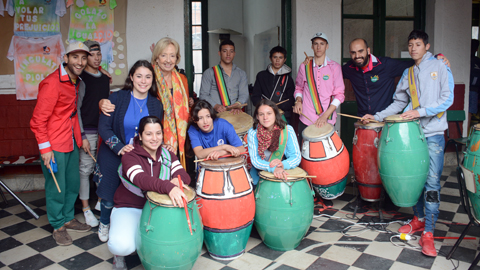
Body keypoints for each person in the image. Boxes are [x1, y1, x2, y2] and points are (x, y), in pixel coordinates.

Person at [363, 30, 454, 257]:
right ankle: (419, 219)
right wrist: (377, 116)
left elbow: (448, 99)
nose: (413, 48)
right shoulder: (409, 73)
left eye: (418, 44)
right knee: (414, 180)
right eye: (411, 44)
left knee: (431, 184)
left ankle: (429, 233)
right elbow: (399, 103)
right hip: (412, 135)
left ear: (427, 46)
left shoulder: (441, 66)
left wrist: (419, 112)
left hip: (432, 134)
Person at [94, 60, 164, 243]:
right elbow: (104, 127)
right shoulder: (117, 98)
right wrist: (119, 147)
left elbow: (157, 132)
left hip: (142, 157)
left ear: (152, 79)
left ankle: (135, 227)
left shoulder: (156, 104)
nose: (143, 81)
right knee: (109, 195)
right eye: (139, 76)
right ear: (131, 77)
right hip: (113, 153)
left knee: (138, 194)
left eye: (148, 76)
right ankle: (104, 222)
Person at [30, 40, 92, 246]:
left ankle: (68, 218)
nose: (80, 62)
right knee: (56, 186)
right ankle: (58, 226)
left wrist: (81, 138)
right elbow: (37, 121)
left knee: (72, 184)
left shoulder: (77, 82)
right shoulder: (52, 83)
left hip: (70, 142)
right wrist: (45, 149)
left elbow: (72, 115)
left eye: (83, 58)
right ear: (65, 59)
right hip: (53, 144)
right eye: (75, 57)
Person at [108, 116, 190, 270]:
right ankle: (119, 253)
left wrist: (177, 182)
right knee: (122, 246)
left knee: (171, 245)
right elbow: (141, 180)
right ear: (140, 136)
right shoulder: (130, 156)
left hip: (158, 209)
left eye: (158, 133)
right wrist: (169, 186)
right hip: (130, 207)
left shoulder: (167, 154)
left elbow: (183, 176)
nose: (154, 138)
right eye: (149, 134)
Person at [100, 38, 192, 169]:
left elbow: (184, 109)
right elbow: (108, 119)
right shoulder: (149, 74)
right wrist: (102, 102)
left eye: (172, 56)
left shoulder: (181, 79)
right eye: (163, 55)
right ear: (156, 58)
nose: (168, 60)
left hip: (175, 137)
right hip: (152, 137)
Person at [342, 38, 450, 117]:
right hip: (363, 120)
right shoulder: (349, 68)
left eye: (361, 51)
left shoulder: (386, 65)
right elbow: (333, 73)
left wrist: (435, 58)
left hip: (386, 119)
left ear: (368, 50)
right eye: (353, 53)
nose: (357, 56)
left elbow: (415, 62)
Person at [77, 40, 110, 227]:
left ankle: (99, 201)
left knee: (102, 167)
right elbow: (78, 109)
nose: (96, 58)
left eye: (98, 54)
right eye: (91, 54)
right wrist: (81, 135)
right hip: (87, 131)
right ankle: (85, 209)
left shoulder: (105, 78)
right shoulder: (81, 78)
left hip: (102, 130)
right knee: (85, 170)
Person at [293, 32, 345, 138]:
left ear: (327, 46)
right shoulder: (305, 66)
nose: (318, 47)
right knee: (305, 152)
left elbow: (339, 95)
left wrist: (324, 116)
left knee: (326, 153)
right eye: (316, 43)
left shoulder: (335, 67)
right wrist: (298, 101)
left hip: (327, 119)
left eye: (322, 43)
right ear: (312, 46)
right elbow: (299, 87)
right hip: (306, 117)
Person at [247, 99, 301, 185]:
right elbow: (255, 160)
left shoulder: (288, 130)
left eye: (269, 113)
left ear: (275, 114)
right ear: (257, 117)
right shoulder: (253, 133)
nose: (265, 117)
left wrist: (282, 165)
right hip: (260, 172)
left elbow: (296, 157)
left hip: (282, 169)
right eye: (261, 114)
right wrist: (273, 168)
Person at [199, 39, 249, 115]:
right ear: (219, 53)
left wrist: (238, 104)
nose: (228, 54)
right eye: (225, 51)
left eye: (231, 51)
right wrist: (215, 105)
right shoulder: (209, 73)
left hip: (235, 114)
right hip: (215, 115)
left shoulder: (241, 73)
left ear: (234, 53)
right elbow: (203, 95)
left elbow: (244, 94)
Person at [251, 46, 295, 124]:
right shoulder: (261, 75)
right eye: (275, 57)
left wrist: (276, 107)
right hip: (264, 116)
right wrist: (265, 107)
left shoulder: (288, 79)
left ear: (284, 60)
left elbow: (291, 100)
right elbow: (255, 97)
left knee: (282, 136)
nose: (277, 60)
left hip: (282, 116)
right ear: (270, 58)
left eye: (280, 57)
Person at [470, 39, 480, 128]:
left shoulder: (477, 61)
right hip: (473, 90)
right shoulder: (475, 61)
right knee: (470, 112)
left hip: (474, 90)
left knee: (471, 112)